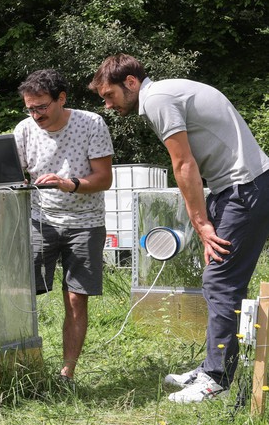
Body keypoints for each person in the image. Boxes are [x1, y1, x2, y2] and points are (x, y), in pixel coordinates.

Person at [90, 54, 269, 403]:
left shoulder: (157, 99)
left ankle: (216, 380)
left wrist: (201, 223)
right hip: (235, 188)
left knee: (220, 280)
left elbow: (183, 162)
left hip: (242, 189)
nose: (108, 105)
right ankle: (213, 366)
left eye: (109, 95)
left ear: (130, 83)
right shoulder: (170, 92)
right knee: (220, 278)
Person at [14, 69, 114, 381]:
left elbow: (104, 178)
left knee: (75, 298)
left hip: (86, 222)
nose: (36, 115)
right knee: (20, 293)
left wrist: (68, 183)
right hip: (40, 221)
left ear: (62, 99)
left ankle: (66, 373)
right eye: (30, 108)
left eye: (42, 107)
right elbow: (12, 175)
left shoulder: (91, 123)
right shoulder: (24, 129)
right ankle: (22, 367)